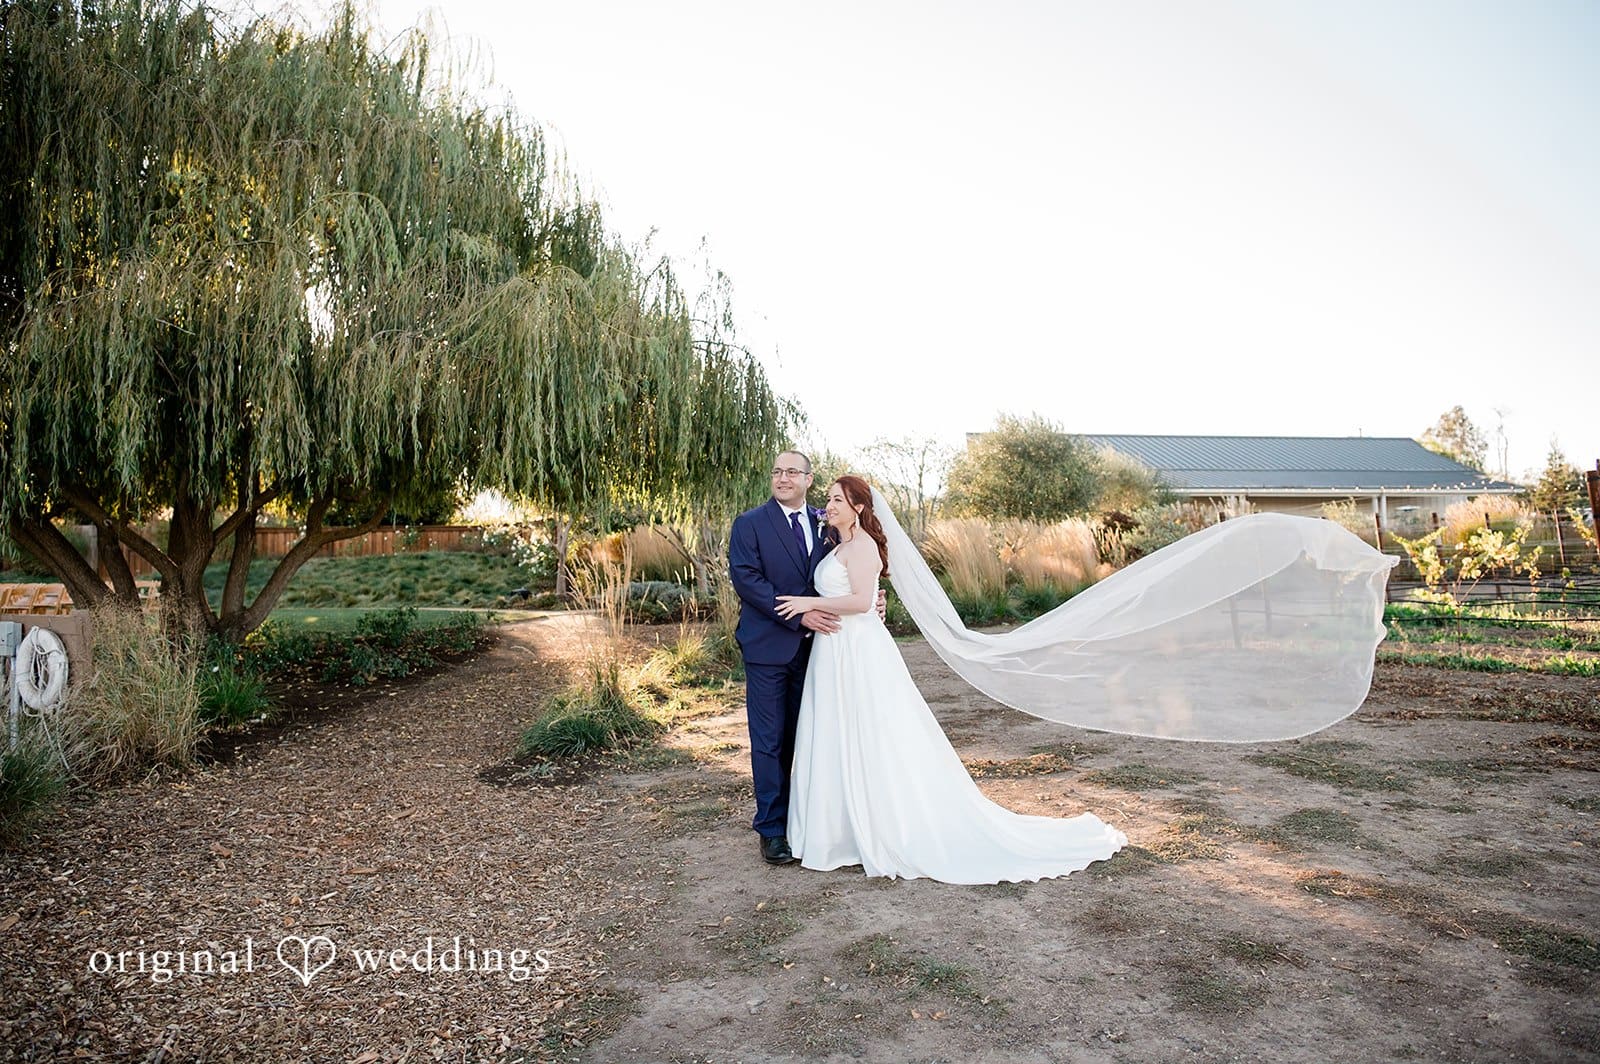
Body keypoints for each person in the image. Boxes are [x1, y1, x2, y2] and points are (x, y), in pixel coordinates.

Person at [774, 475, 1127, 883]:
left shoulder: (865, 546)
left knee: (870, 732)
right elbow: (863, 597)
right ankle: (838, 829)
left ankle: (881, 824)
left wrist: (808, 602)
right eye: (829, 499)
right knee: (836, 731)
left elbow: (860, 601)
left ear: (858, 507)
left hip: (857, 652)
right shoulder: (838, 545)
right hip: (833, 651)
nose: (828, 505)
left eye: (837, 499)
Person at [727, 451, 884, 866]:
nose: (783, 478)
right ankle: (773, 831)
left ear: (808, 480)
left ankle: (814, 822)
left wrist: (872, 602)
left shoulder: (828, 520)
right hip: (769, 648)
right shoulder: (749, 524)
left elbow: (853, 571)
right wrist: (803, 613)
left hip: (821, 652)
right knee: (769, 740)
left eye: (792, 472)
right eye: (776, 471)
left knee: (815, 737)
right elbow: (749, 581)